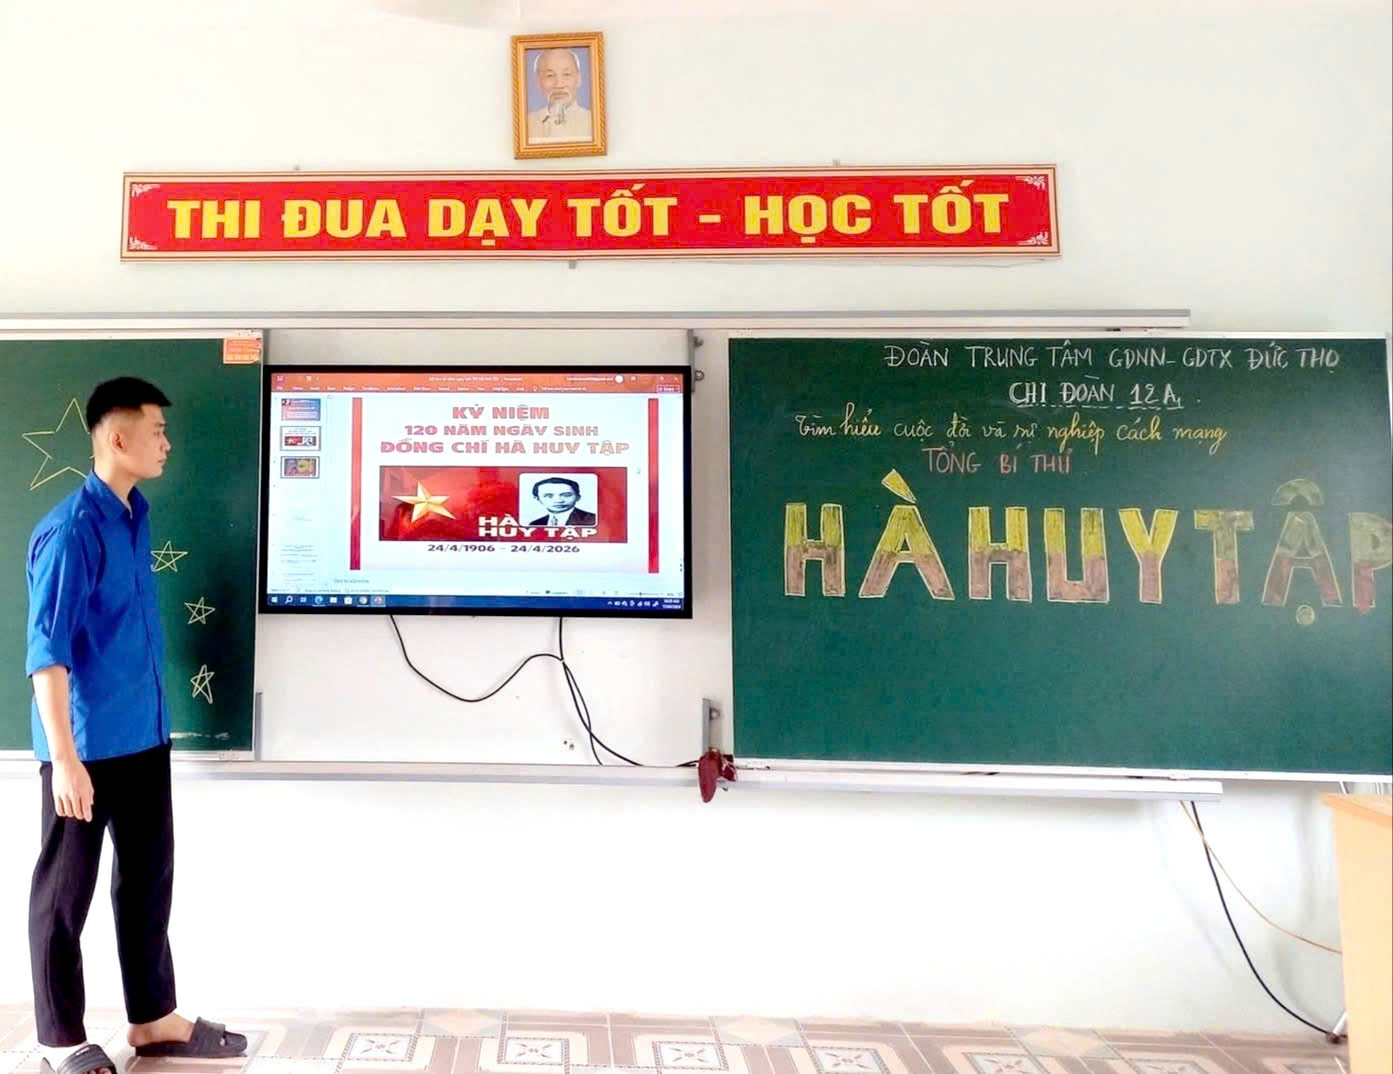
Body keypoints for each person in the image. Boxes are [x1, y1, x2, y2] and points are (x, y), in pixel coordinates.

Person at [25, 378, 247, 1074]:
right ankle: (58, 1040)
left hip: (145, 737)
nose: (167, 443)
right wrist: (64, 761)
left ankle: (152, 1020)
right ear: (117, 438)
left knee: (148, 882)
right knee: (64, 898)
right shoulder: (72, 531)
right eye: (157, 431)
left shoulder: (134, 515)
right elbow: (46, 655)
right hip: (86, 749)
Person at [525, 48, 593, 142]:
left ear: (578, 79)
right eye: (550, 75)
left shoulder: (593, 121)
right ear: (538, 82)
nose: (559, 84)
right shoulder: (527, 123)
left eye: (566, 74)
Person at [528, 476, 597, 527]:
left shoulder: (593, 520)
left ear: (578, 497)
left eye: (566, 495)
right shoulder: (535, 524)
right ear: (537, 499)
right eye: (549, 496)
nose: (558, 501)